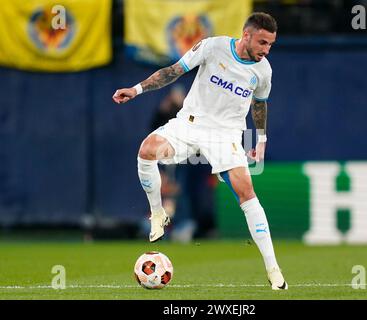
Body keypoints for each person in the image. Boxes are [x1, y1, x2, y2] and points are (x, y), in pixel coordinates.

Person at [113, 12, 288, 290]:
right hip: (190, 123)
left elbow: (260, 103)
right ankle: (158, 213)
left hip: (226, 135)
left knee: (246, 191)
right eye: (263, 43)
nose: (266, 51)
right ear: (246, 35)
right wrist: (137, 89)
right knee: (147, 150)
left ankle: (273, 269)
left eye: (270, 45)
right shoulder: (212, 47)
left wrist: (261, 138)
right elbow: (172, 71)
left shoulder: (263, 70)